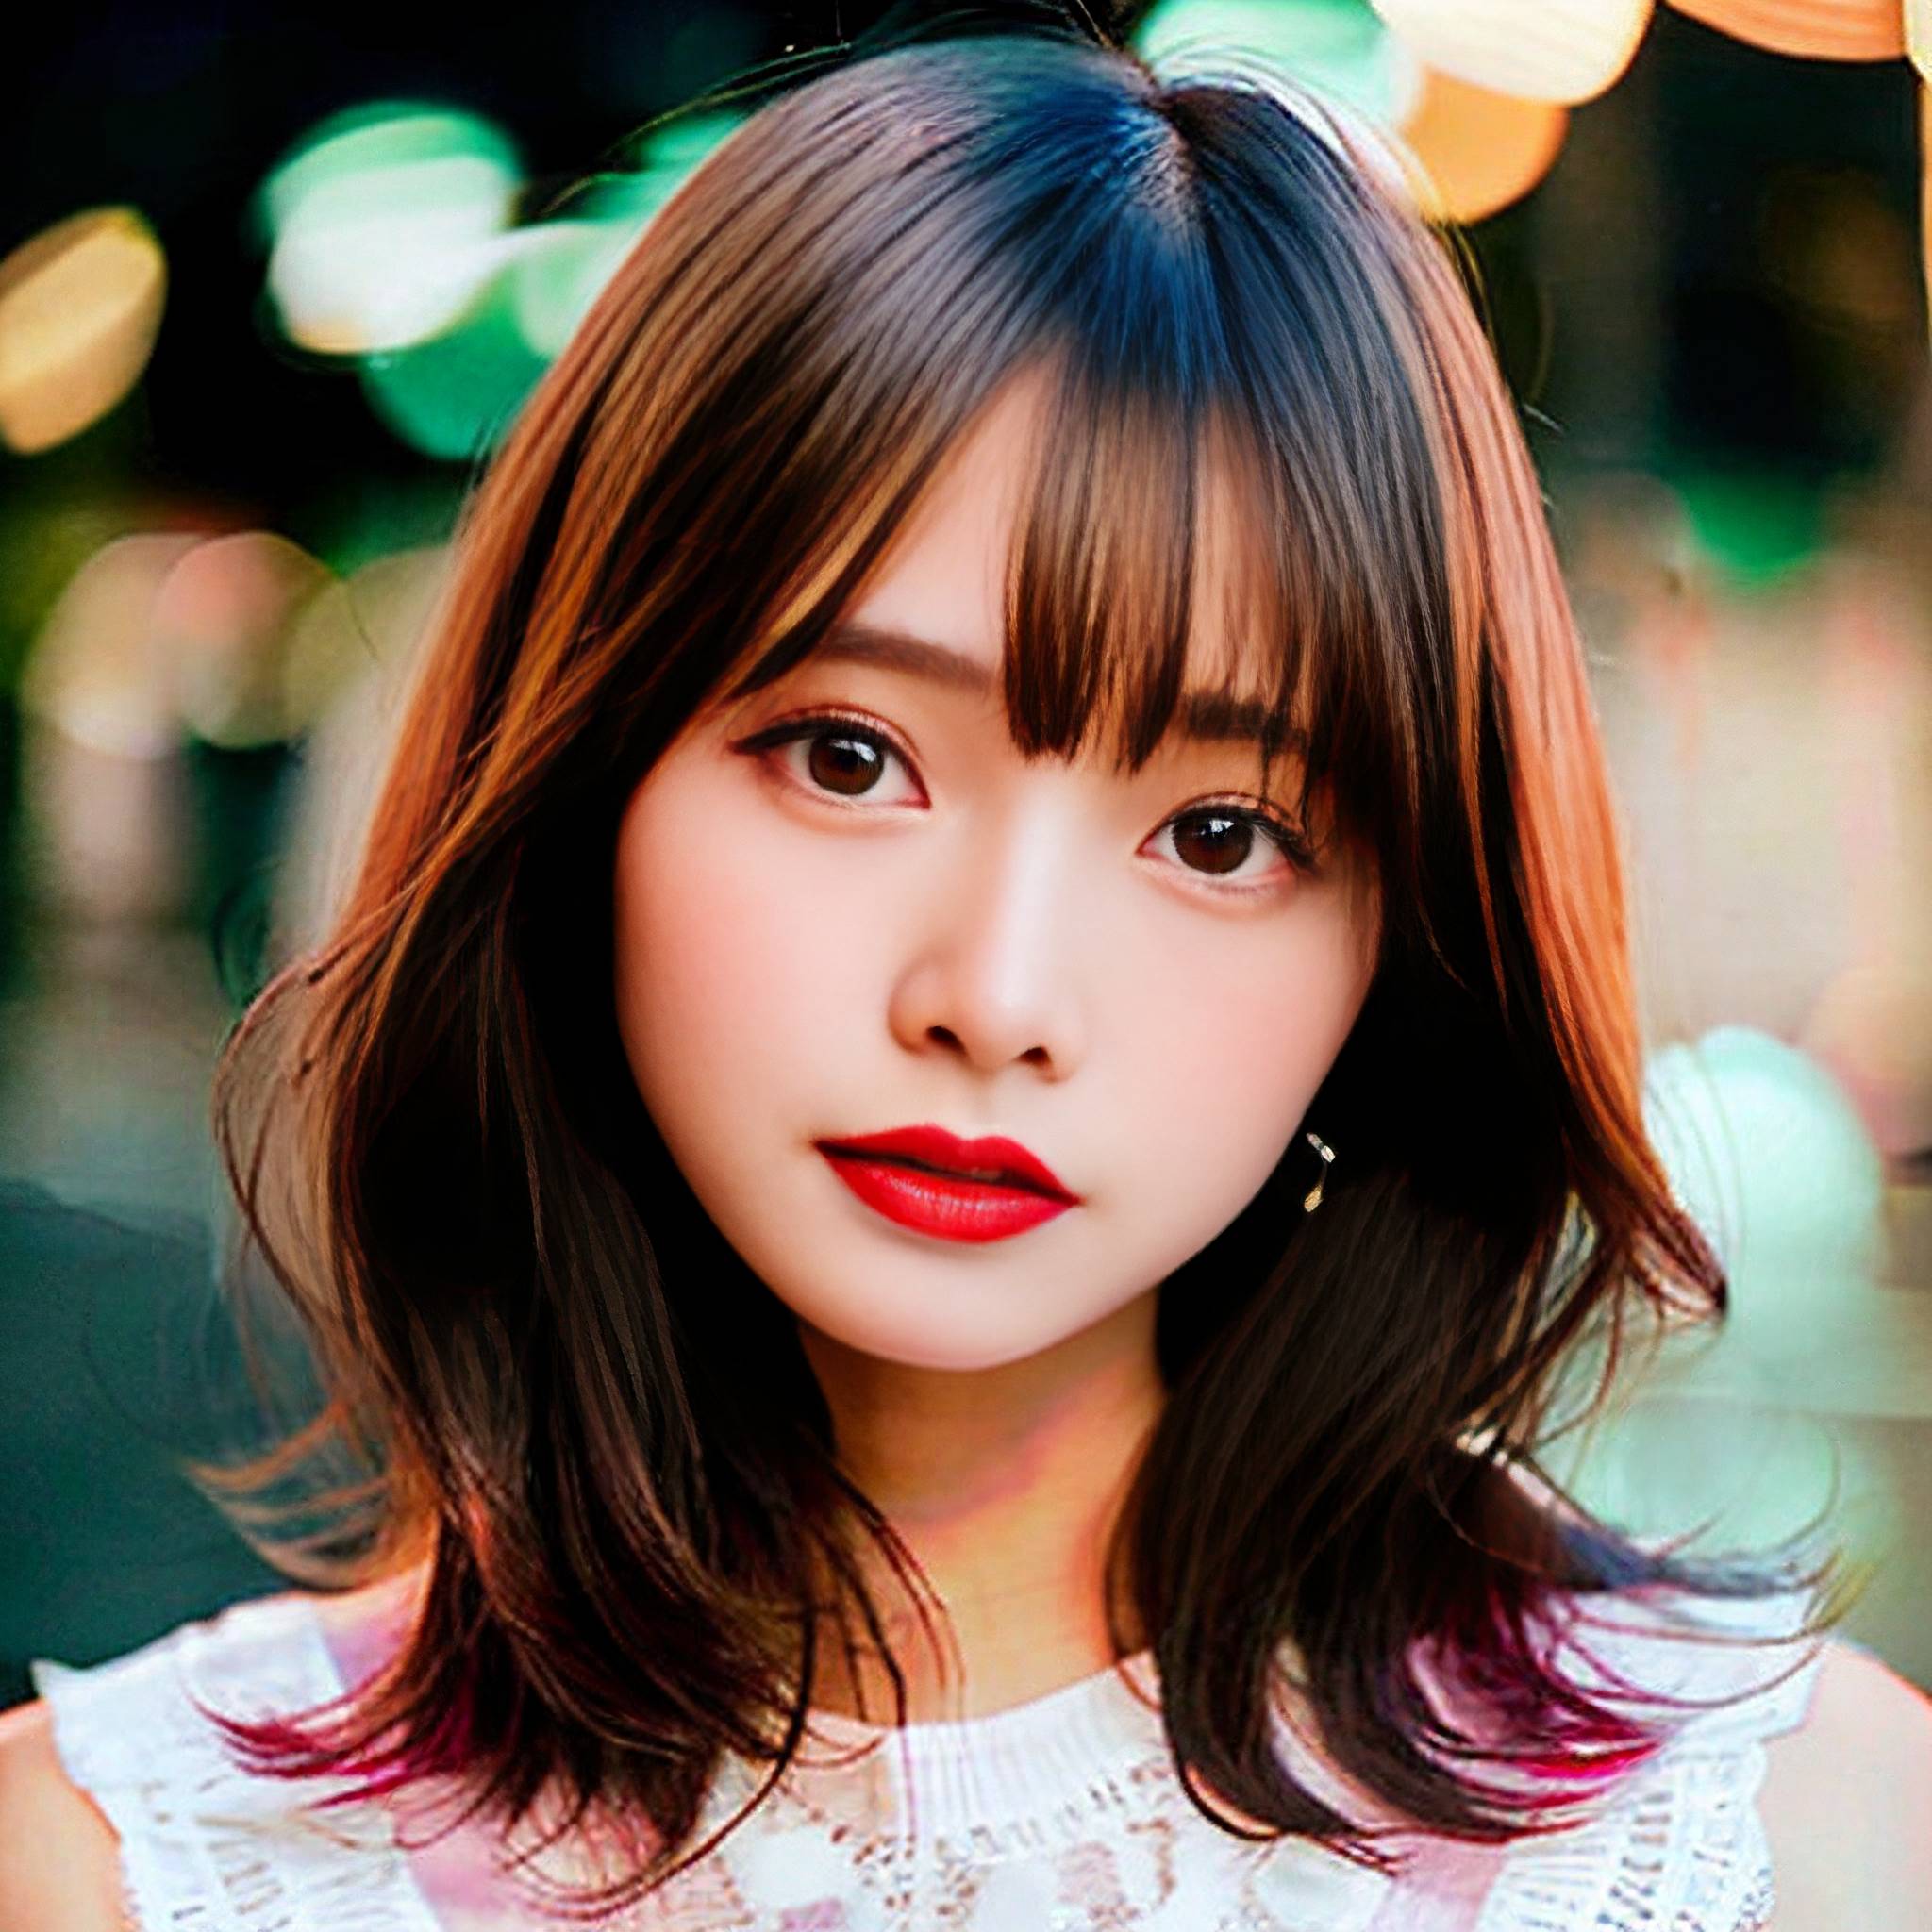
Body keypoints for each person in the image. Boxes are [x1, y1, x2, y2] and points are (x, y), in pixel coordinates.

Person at [3, 19, 1929, 1930]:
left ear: (1401, 942)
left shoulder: (1785, 1841)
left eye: (1221, 833)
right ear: (582, 772)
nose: (997, 995)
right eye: (851, 755)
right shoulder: (125, 1867)